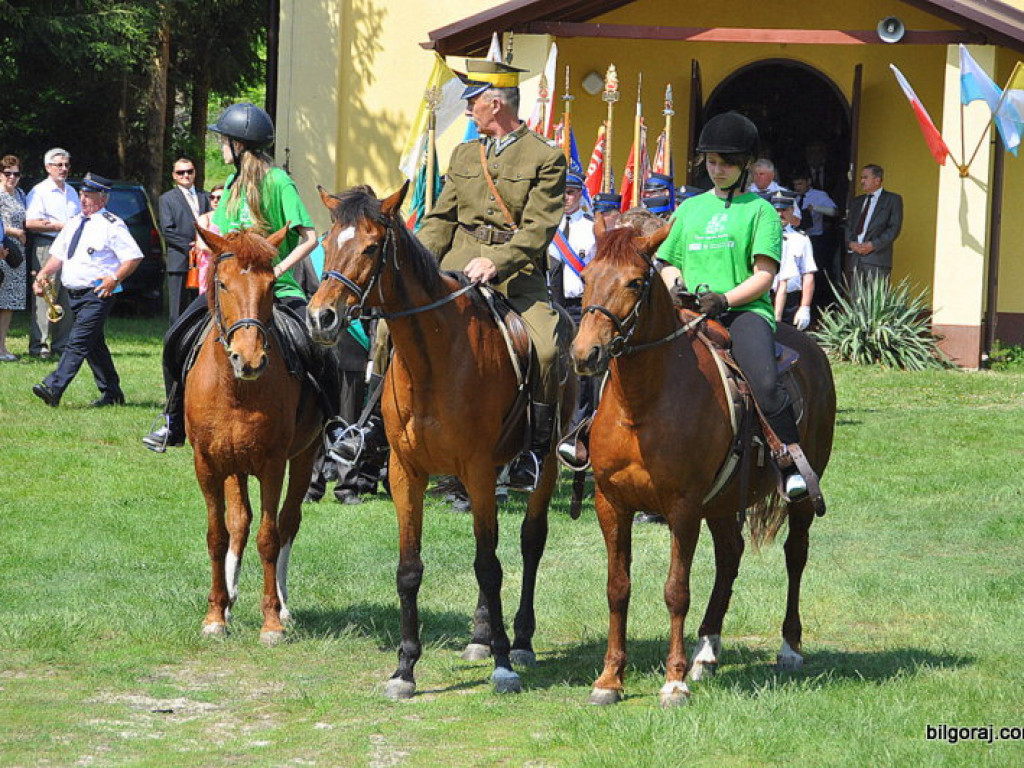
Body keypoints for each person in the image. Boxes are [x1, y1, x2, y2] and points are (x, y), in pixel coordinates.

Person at [416, 59, 566, 492]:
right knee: (395, 325)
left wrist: (497, 261)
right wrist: (419, 264)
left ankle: (534, 451)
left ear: (495, 103)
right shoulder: (465, 154)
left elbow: (539, 229)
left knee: (546, 350)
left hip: (516, 275)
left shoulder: (546, 156)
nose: (467, 111)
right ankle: (370, 434)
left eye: (472, 103)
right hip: (454, 265)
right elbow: (440, 219)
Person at [655, 112, 815, 501]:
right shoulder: (690, 209)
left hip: (743, 313)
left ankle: (789, 461)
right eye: (711, 161)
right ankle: (592, 436)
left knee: (764, 382)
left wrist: (724, 299)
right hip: (687, 313)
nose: (718, 169)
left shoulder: (760, 211)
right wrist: (675, 286)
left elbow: (765, 275)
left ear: (745, 164)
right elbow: (667, 260)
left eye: (726, 162)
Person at [143, 102, 319, 452]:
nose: (221, 146)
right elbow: (223, 232)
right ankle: (173, 419)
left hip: (275, 289)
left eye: (224, 140)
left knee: (317, 350)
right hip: (229, 291)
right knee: (175, 337)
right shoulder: (232, 182)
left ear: (240, 145)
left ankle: (331, 425)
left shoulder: (278, 181)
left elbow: (310, 237)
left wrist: (279, 269)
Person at [29, 173, 142, 407]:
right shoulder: (73, 222)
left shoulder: (112, 225)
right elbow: (58, 255)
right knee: (94, 345)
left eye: (89, 196)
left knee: (78, 341)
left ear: (103, 199)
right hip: (75, 295)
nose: (83, 200)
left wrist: (114, 278)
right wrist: (43, 274)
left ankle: (54, 386)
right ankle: (112, 393)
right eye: (82, 194)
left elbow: (133, 257)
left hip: (98, 293)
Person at [548, 169, 595, 425]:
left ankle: (580, 425)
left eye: (570, 192)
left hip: (579, 306)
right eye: (560, 193)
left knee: (582, 368)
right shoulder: (545, 229)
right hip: (550, 305)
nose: (565, 198)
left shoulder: (591, 229)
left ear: (580, 194)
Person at [24, 148, 80, 359]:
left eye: (66, 165)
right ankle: (40, 346)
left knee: (67, 296)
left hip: (69, 250)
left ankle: (62, 345)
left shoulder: (72, 192)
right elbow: (30, 222)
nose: (63, 169)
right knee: (44, 295)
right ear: (48, 168)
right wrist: (57, 226)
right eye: (59, 165)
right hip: (46, 247)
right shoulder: (40, 191)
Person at [158, 156, 210, 322]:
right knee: (178, 309)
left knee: (202, 305)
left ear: (195, 173)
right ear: (174, 175)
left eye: (189, 171)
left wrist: (203, 247)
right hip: (179, 260)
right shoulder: (167, 199)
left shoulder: (207, 196)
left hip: (204, 261)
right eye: (181, 172)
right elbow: (167, 230)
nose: (185, 175)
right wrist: (191, 246)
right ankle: (175, 345)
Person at [845, 164, 903, 286]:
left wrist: (874, 245)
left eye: (865, 177)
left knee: (875, 301)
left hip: (877, 259)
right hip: (856, 259)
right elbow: (848, 226)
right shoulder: (857, 201)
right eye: (861, 177)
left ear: (877, 180)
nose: (862, 181)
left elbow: (894, 228)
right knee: (857, 300)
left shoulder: (892, 200)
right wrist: (850, 243)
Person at [770, 190, 817, 331]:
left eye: (784, 210)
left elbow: (808, 274)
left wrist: (805, 307)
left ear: (792, 211)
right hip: (764, 296)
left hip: (790, 301)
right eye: (776, 210)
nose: (780, 214)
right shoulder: (760, 236)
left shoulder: (801, 239)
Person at [0, 154, 28, 361]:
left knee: (9, 303)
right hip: (2, 248)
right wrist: (15, 232)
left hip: (17, 255)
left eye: (16, 173)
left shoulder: (21, 194)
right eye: (7, 173)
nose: (12, 177)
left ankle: (1, 348)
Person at [791, 169, 838, 285]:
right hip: (797, 239)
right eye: (795, 185)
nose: (797, 188)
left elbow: (835, 212)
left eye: (800, 184)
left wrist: (816, 208)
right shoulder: (794, 197)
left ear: (808, 182)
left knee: (816, 272)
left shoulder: (819, 195)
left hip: (815, 239)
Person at [192, 183, 223, 294]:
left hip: (227, 264)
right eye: (212, 197)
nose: (215, 201)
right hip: (208, 265)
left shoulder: (231, 219)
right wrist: (221, 252)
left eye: (219, 198)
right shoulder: (204, 219)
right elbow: (201, 244)